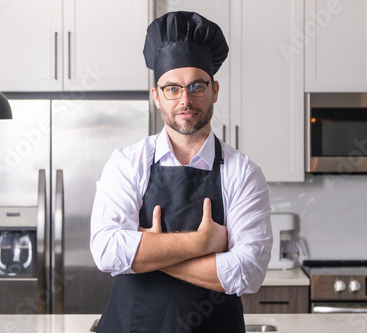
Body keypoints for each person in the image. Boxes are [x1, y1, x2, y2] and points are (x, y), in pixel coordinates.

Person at [90, 11, 272, 333]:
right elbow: (107, 251)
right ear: (156, 97)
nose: (185, 100)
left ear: (214, 91)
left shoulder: (243, 173)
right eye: (172, 89)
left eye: (196, 87)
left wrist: (150, 253)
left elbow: (248, 271)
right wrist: (202, 243)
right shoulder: (127, 163)